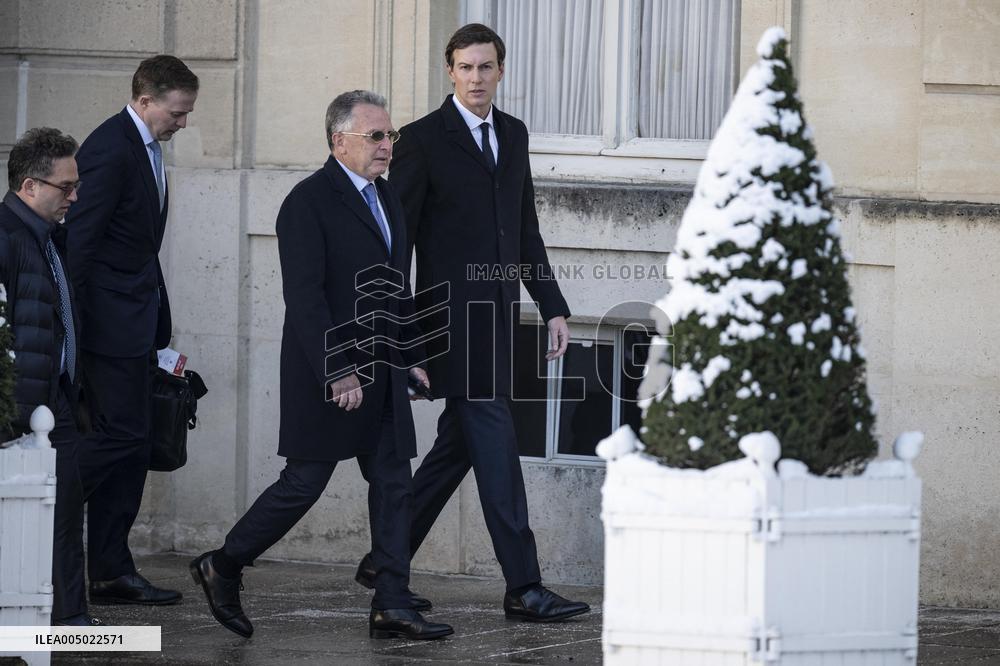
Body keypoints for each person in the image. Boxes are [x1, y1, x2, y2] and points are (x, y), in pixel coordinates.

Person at [190, 90, 452, 641]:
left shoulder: (390, 199)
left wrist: (412, 357)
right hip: (330, 371)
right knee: (303, 484)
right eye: (375, 136)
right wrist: (337, 369)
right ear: (340, 141)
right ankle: (224, 565)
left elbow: (395, 289)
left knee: (393, 482)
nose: (387, 146)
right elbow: (305, 298)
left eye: (390, 135)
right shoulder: (306, 202)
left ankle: (392, 603)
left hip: (382, 369)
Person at [355, 23, 590, 622]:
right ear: (450, 71)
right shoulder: (422, 140)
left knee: (458, 445)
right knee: (497, 446)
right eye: (465, 67)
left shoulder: (514, 134)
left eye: (486, 67)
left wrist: (553, 303)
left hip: (499, 318)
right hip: (446, 323)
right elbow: (395, 240)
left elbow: (525, 226)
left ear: (500, 71)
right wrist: (404, 334)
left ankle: (387, 558)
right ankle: (524, 586)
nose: (476, 77)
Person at [65, 55, 198, 606]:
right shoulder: (108, 148)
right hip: (106, 329)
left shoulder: (147, 147)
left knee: (135, 442)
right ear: (146, 101)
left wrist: (156, 321)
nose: (182, 122)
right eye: (176, 111)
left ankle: (111, 570)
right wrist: (76, 333)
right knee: (120, 437)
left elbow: (139, 244)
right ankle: (46, 500)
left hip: (137, 321)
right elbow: (80, 246)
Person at [0, 127, 95, 625]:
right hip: (21, 407)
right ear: (31, 185)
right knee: (30, 516)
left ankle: (68, 619)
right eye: (66, 187)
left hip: (52, 401)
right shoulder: (7, 237)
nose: (74, 197)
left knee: (62, 511)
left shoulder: (46, 236)